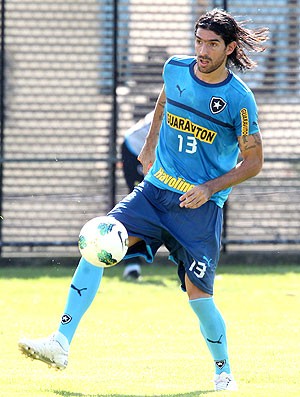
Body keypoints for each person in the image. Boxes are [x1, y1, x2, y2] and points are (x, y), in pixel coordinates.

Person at [18, 9, 268, 392]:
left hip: (198, 209)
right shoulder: (175, 69)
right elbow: (164, 100)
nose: (202, 50)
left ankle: (223, 371)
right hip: (152, 191)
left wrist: (209, 187)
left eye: (212, 44)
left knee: (200, 296)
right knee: (98, 242)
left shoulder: (239, 99)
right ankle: (60, 342)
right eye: (199, 40)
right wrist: (150, 143)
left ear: (230, 48)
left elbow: (254, 162)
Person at [121, 111, 154, 280]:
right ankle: (132, 265)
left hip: (151, 156)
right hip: (133, 151)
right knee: (137, 207)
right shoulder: (173, 108)